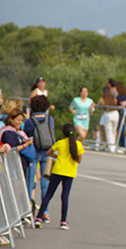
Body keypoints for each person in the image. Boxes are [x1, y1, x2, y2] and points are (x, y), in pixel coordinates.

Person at [34, 123, 84, 230]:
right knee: (65, 196)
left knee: (49, 194)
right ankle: (63, 221)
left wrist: (57, 156)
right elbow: (79, 160)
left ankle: (38, 217)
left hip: (57, 171)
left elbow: (48, 153)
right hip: (69, 173)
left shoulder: (60, 143)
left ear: (62, 133)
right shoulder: (78, 145)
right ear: (74, 133)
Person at [24, 95, 55, 223]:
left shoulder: (30, 121)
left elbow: (27, 136)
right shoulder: (50, 119)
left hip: (33, 153)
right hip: (47, 152)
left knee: (30, 182)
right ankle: (44, 212)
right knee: (46, 183)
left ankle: (27, 211)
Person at [98, 86, 119, 153]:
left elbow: (99, 103)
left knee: (109, 131)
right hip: (115, 114)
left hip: (108, 114)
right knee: (114, 131)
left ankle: (111, 147)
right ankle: (114, 145)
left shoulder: (103, 99)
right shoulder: (113, 98)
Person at [115, 81, 126, 149]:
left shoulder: (121, 96)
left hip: (121, 114)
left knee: (122, 129)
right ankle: (121, 144)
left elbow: (123, 105)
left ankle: (123, 145)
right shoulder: (124, 96)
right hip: (121, 114)